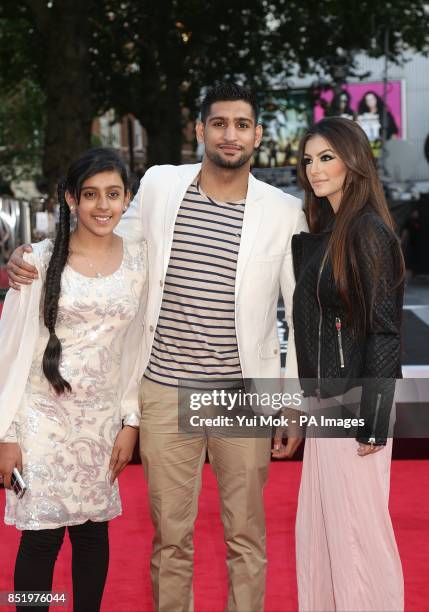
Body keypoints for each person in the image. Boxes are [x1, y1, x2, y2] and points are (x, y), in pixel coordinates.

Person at [7, 83, 308, 612]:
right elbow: (102, 230)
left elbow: (298, 313)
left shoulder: (284, 212)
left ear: (258, 135)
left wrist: (293, 400)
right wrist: (28, 257)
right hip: (162, 392)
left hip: (238, 395)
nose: (230, 134)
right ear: (199, 131)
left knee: (245, 537)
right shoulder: (162, 185)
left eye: (242, 124)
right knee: (169, 539)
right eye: (219, 123)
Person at [0, 148, 147, 612]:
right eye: (90, 195)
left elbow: (134, 351)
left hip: (102, 420)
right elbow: (11, 352)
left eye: (113, 194)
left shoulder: (142, 262)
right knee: (40, 540)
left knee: (91, 534)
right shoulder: (38, 263)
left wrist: (131, 421)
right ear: (70, 199)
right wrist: (8, 434)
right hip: (40, 416)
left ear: (127, 200)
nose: (102, 206)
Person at [290, 117, 404, 611]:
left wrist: (373, 423)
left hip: (355, 406)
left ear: (354, 161)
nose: (315, 169)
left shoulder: (367, 232)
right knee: (322, 531)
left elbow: (384, 329)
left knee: (357, 537)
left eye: (327, 157)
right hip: (327, 402)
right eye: (310, 159)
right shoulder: (331, 231)